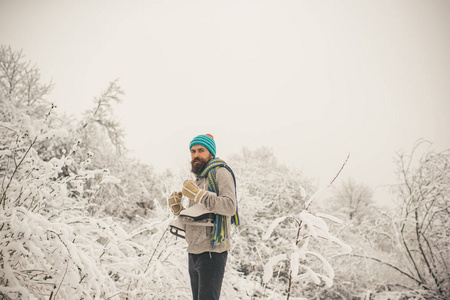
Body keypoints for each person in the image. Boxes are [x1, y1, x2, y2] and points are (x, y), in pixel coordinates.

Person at [168, 133, 239, 300]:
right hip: (194, 252)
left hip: (212, 252)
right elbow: (200, 218)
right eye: (192, 151)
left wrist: (199, 195)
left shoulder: (220, 172)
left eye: (201, 150)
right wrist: (179, 210)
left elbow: (230, 206)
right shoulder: (199, 180)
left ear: (211, 153)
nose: (196, 155)